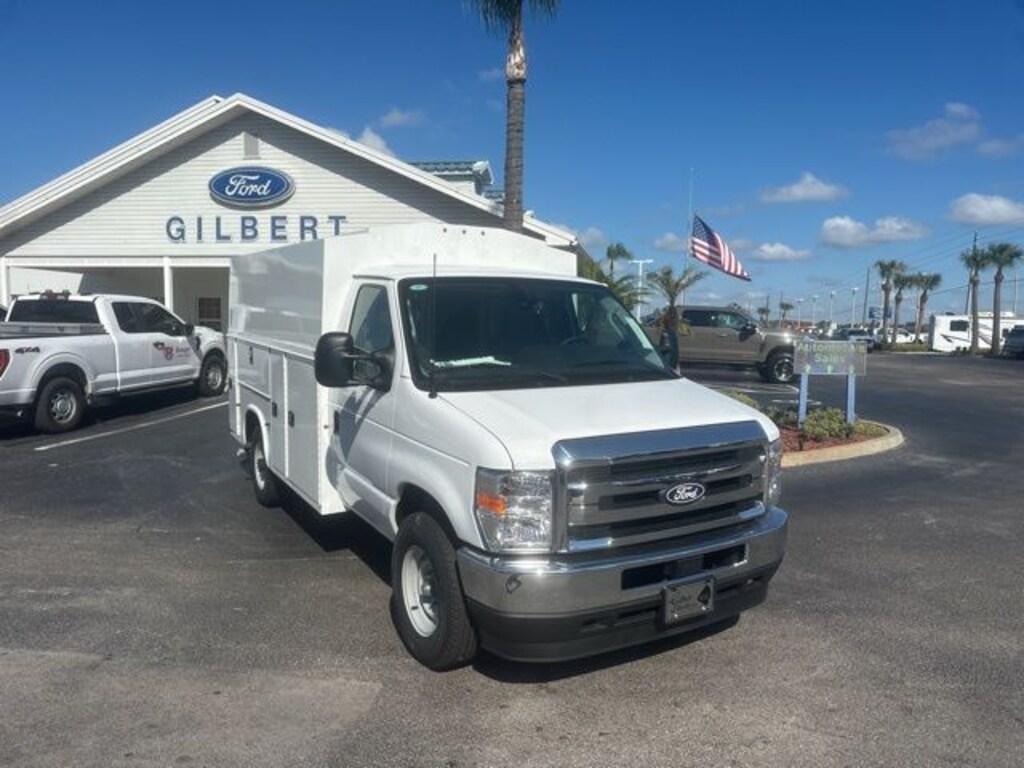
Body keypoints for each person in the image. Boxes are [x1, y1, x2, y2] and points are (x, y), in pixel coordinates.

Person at [658, 306, 680, 371]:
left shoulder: (666, 333)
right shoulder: (674, 333)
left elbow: (666, 347)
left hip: (668, 358)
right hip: (673, 358)